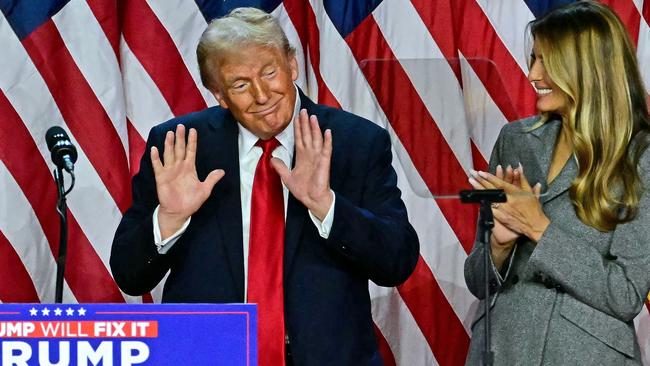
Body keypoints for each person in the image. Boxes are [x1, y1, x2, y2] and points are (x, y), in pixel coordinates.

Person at [110, 7, 419, 366]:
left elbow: (397, 261)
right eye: (240, 84)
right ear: (219, 95)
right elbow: (130, 275)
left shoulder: (355, 142)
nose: (261, 94)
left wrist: (327, 205)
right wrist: (170, 219)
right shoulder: (180, 148)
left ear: (292, 65)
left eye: (269, 72)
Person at [464, 1, 650, 365]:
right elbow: (478, 281)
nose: (533, 74)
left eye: (547, 61)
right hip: (500, 349)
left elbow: (626, 293)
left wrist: (540, 228)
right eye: (534, 59)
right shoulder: (514, 139)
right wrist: (499, 248)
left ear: (589, 68)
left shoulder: (641, 157)